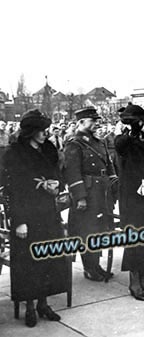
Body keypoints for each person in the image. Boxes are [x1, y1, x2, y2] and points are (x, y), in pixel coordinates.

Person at [1, 109, 68, 327]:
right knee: (28, 262)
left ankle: (43, 303)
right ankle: (29, 305)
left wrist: (56, 185)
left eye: (45, 129)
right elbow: (11, 190)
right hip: (26, 215)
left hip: (48, 213)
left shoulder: (48, 149)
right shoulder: (14, 153)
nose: (45, 134)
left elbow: (58, 174)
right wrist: (18, 221)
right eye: (40, 130)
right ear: (30, 131)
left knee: (47, 258)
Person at [115, 104, 144, 301]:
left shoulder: (142, 137)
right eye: (139, 121)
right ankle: (134, 281)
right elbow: (122, 149)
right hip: (132, 196)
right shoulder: (123, 139)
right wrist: (127, 130)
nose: (142, 124)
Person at [64, 107, 117, 282]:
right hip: (88, 192)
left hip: (102, 191)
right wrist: (80, 197)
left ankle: (96, 264)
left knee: (100, 229)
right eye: (92, 121)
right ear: (80, 122)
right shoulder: (75, 144)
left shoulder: (98, 142)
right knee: (87, 230)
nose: (96, 124)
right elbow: (72, 172)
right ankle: (89, 267)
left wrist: (113, 181)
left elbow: (109, 165)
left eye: (97, 121)